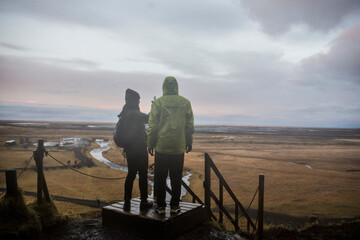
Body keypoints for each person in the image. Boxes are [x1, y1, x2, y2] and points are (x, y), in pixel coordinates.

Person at [147, 76, 194, 215]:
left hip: (161, 147)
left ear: (164, 87)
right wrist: (189, 142)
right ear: (176, 86)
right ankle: (174, 206)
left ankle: (161, 207)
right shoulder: (185, 103)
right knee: (176, 178)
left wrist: (150, 143)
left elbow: (153, 126)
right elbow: (189, 126)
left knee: (160, 178)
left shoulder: (158, 103)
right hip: (178, 148)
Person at [120, 88, 152, 211]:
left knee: (131, 174)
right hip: (139, 148)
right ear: (134, 101)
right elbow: (148, 118)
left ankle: (126, 201)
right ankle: (143, 201)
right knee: (143, 175)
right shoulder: (134, 113)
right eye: (138, 101)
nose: (139, 103)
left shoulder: (125, 112)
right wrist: (153, 108)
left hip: (129, 149)